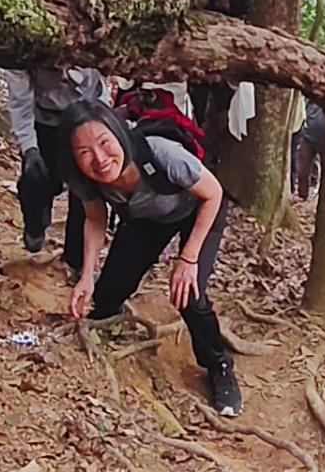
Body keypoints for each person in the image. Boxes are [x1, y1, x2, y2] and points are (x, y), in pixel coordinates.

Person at [58, 99, 242, 416]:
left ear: (118, 133)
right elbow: (96, 219)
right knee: (108, 294)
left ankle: (219, 366)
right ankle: (106, 328)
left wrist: (188, 259)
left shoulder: (160, 152)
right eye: (84, 152)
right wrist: (87, 275)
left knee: (189, 295)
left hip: (199, 210)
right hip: (146, 220)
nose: (99, 159)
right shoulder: (85, 178)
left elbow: (213, 193)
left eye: (104, 143)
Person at [5, 68, 105, 278]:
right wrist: (30, 149)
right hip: (44, 120)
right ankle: (35, 225)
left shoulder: (95, 53)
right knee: (36, 177)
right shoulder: (22, 59)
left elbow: (102, 86)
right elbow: (20, 104)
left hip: (86, 113)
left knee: (86, 190)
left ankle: (76, 262)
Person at [290, 101, 325, 201]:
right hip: (308, 137)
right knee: (302, 168)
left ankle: (318, 193)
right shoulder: (311, 101)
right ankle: (303, 195)